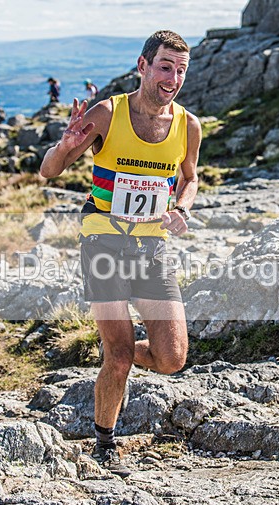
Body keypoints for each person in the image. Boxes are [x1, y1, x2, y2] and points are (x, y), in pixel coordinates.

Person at [40, 30, 201, 477]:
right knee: (119, 353)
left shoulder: (188, 125)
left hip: (152, 243)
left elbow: (189, 177)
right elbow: (48, 170)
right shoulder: (109, 113)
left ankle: (121, 359)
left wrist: (182, 207)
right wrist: (66, 145)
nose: (172, 77)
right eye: (165, 66)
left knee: (171, 359)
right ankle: (104, 442)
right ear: (143, 66)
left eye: (181, 69)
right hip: (103, 239)